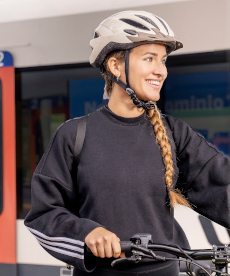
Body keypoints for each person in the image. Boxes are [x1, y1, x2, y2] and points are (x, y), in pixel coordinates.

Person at [24, 10, 230, 276]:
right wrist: (87, 233)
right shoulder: (74, 135)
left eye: (163, 60)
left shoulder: (175, 134)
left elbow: (222, 185)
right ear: (115, 66)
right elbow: (43, 215)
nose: (161, 71)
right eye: (149, 59)